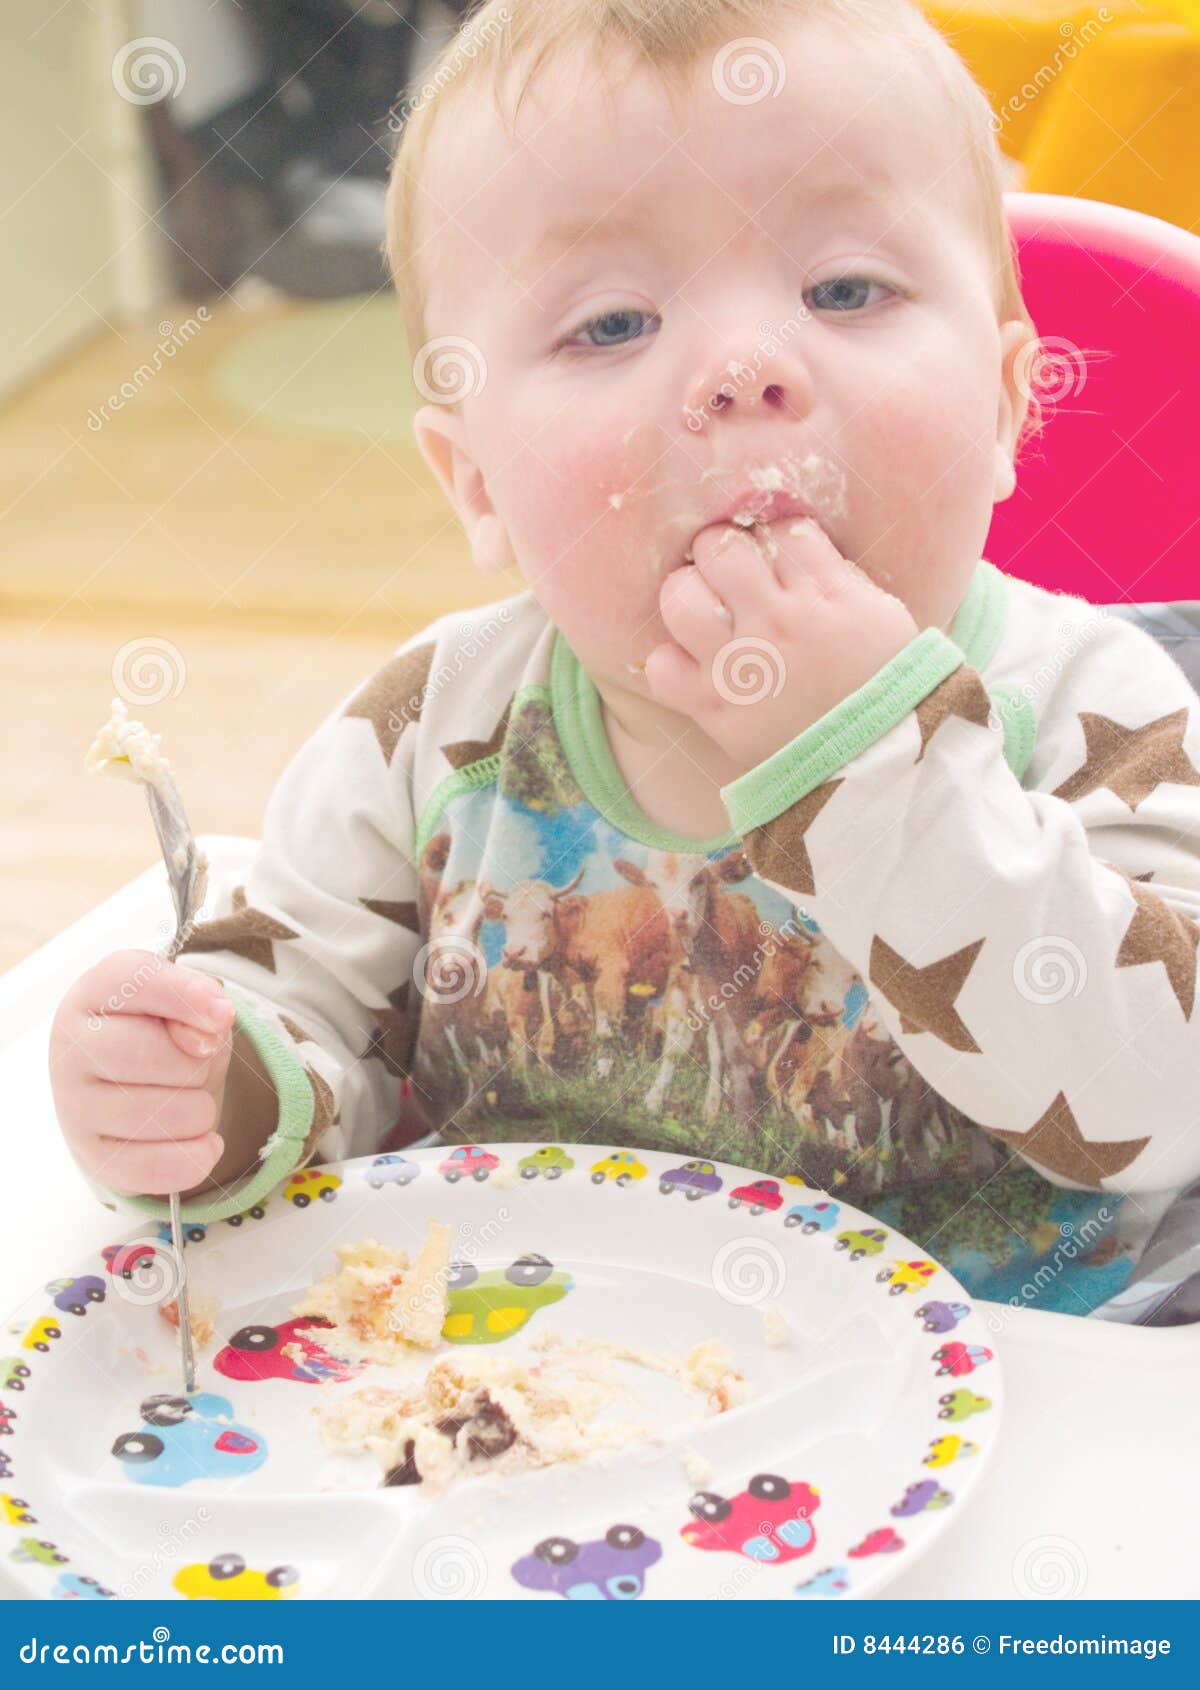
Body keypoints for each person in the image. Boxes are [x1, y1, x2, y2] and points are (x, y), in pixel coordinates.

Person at [51, 0, 1200, 1319]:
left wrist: (876, 762)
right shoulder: (428, 735)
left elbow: (1160, 1104)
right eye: (609, 324)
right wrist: (209, 1090)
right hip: (542, 1410)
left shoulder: (1093, 715)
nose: (745, 368)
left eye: (843, 291)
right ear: (475, 481)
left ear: (1007, 408)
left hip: (1025, 1433)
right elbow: (299, 1011)